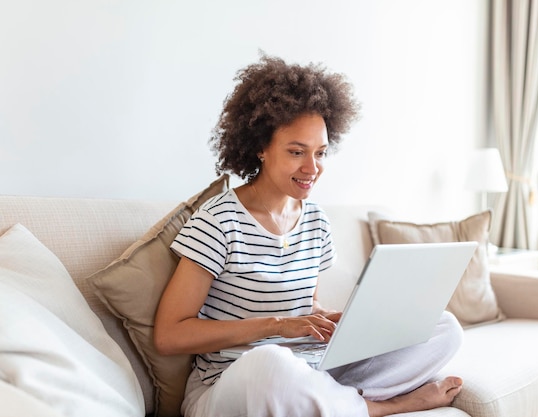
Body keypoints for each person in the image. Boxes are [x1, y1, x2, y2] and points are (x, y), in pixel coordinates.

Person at [154, 55, 464, 417]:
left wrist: (342, 320)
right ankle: (382, 406)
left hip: (311, 369)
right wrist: (276, 326)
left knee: (444, 327)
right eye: (296, 152)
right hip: (236, 381)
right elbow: (169, 335)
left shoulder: (316, 221)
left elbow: (306, 305)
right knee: (269, 363)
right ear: (260, 147)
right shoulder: (218, 221)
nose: (312, 169)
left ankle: (329, 402)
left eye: (320, 153)